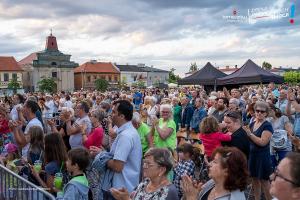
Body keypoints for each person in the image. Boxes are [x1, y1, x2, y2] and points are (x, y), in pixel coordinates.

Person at [90, 100, 142, 197]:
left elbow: (117, 166)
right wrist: (103, 152)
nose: (110, 114)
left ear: (122, 116)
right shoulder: (126, 131)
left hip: (120, 189)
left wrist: (100, 155)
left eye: (114, 112)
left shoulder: (126, 136)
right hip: (123, 187)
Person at [110, 148, 179, 200]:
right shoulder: (145, 182)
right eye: (144, 163)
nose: (144, 166)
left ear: (162, 169)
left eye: (148, 164)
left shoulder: (169, 192)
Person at [181, 147, 248, 200]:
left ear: (227, 171)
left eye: (215, 162)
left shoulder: (233, 198)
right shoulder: (213, 183)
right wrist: (190, 192)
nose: (210, 164)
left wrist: (191, 198)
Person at [243, 101, 273, 200]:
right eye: (257, 110)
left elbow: (263, 142)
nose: (259, 113)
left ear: (266, 113)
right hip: (252, 156)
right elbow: (248, 140)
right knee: (255, 180)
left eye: (262, 111)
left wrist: (249, 134)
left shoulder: (267, 125)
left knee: (265, 182)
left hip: (262, 157)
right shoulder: (252, 124)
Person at [268, 105, 293, 169]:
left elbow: (290, 132)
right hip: (274, 147)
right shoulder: (269, 121)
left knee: (285, 167)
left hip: (285, 146)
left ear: (274, 110)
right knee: (275, 168)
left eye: (270, 110)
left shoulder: (283, 118)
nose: (268, 112)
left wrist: (278, 133)